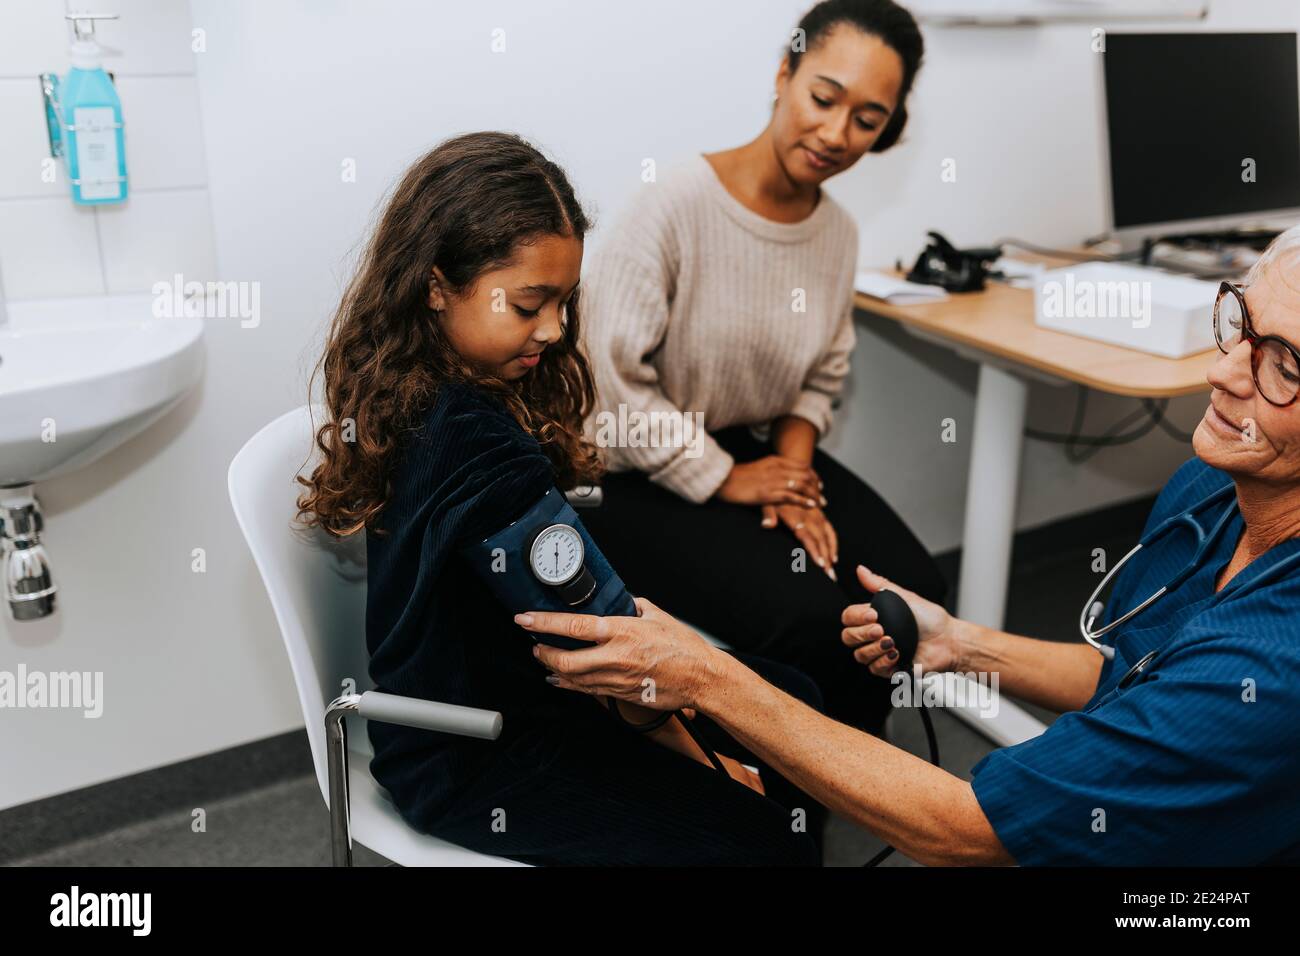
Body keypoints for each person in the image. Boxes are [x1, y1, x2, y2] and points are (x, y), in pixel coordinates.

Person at [524, 225, 1300, 865]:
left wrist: (703, 677)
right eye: (1240, 324)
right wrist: (962, 644)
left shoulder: (1270, 666)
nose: (1223, 373)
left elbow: (966, 828)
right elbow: (1132, 667)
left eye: (1284, 368)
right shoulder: (1213, 486)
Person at [296, 131, 833, 865]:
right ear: (434, 284)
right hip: (475, 757)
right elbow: (603, 653)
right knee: (764, 832)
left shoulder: (415, 389)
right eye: (528, 305)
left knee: (792, 699)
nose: (553, 328)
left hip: (511, 698)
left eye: (563, 301)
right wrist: (713, 769)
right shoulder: (474, 445)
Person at [579, 0, 945, 738]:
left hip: (755, 453)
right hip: (627, 475)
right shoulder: (673, 206)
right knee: (819, 625)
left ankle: (860, 781)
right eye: (823, 98)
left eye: (868, 120)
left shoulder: (836, 232)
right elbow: (609, 392)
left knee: (912, 596)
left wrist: (796, 483)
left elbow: (820, 378)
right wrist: (727, 478)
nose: (837, 134)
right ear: (784, 74)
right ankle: (789, 811)